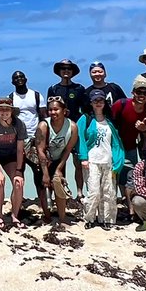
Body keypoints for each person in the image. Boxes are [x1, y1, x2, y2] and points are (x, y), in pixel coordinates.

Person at [76, 90, 124, 230]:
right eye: (95, 100)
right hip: (92, 161)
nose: (98, 103)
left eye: (101, 100)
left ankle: (107, 219)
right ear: (90, 102)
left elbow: (115, 143)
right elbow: (80, 140)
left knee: (108, 192)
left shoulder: (109, 120)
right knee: (94, 192)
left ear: (105, 102)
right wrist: (83, 158)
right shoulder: (85, 119)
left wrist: (117, 161)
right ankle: (89, 218)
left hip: (108, 161)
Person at [110, 84, 146, 217]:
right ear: (133, 93)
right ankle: (110, 208)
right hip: (113, 148)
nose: (141, 95)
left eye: (145, 93)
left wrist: (143, 130)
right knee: (111, 178)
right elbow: (107, 123)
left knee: (131, 178)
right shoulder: (121, 104)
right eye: (138, 92)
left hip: (130, 147)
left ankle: (131, 210)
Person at [47, 59, 89, 195]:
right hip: (58, 130)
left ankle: (80, 192)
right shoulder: (53, 89)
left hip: (75, 129)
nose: (66, 71)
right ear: (59, 71)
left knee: (78, 162)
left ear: (72, 72)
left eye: (69, 69)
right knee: (58, 162)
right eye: (63, 68)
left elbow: (86, 109)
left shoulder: (79, 89)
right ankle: (58, 192)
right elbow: (50, 110)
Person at [0, 96, 26, 230]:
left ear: (12, 111)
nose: (4, 112)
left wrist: (19, 171)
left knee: (18, 183)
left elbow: (20, 150)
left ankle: (15, 215)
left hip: (11, 157)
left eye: (7, 109)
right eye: (1, 109)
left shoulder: (18, 124)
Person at [35, 97, 77, 226]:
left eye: (56, 109)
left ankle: (62, 218)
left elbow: (68, 150)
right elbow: (40, 150)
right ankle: (47, 216)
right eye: (50, 110)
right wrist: (46, 174)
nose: (53, 112)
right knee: (44, 188)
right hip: (42, 161)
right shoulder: (43, 125)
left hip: (59, 159)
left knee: (59, 185)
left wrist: (59, 168)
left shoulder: (72, 127)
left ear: (64, 111)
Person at [10, 71, 46, 217]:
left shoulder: (36, 95)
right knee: (19, 172)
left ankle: (43, 203)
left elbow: (44, 117)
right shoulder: (11, 98)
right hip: (18, 139)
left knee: (38, 172)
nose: (19, 80)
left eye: (21, 77)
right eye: (16, 78)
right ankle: (19, 202)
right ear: (12, 82)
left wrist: (44, 139)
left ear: (26, 79)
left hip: (34, 140)